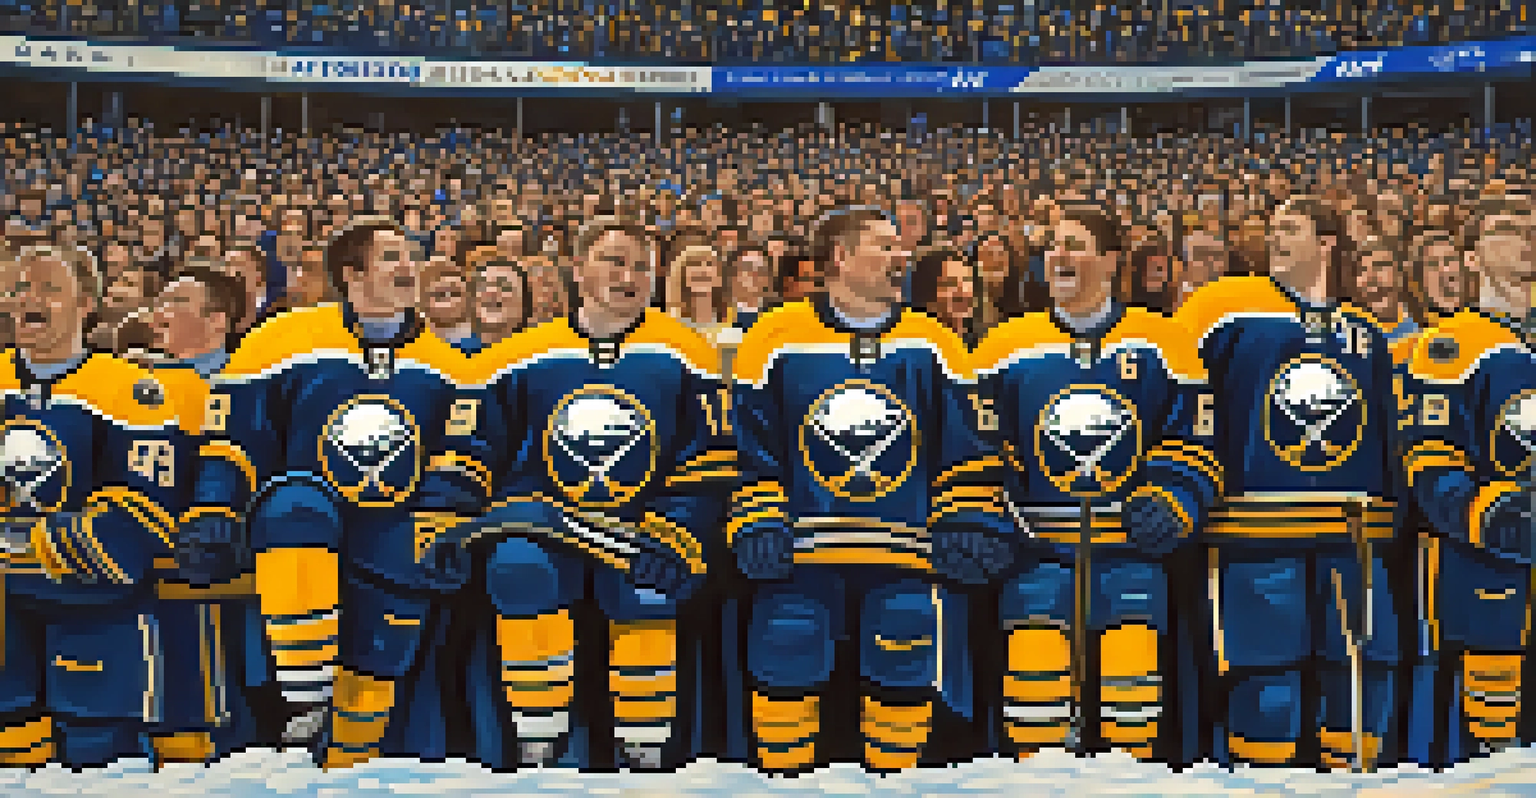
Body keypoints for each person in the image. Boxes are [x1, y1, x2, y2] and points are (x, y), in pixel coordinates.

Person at [179, 217, 484, 769]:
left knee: (384, 644)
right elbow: (234, 435)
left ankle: (349, 758)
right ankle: (305, 700)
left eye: (408, 255)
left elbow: (461, 456)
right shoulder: (282, 338)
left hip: (394, 523)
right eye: (392, 256)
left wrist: (445, 516)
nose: (407, 267)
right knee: (298, 507)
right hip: (300, 516)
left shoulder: (449, 364)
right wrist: (215, 506)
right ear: (352, 272)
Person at [729, 206, 1010, 773]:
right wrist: (757, 515)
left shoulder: (931, 341)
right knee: (788, 642)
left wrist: (966, 517)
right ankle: (785, 784)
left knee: (903, 638)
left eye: (898, 247)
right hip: (801, 556)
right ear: (839, 258)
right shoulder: (775, 337)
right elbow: (748, 446)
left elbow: (967, 449)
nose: (900, 255)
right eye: (883, 246)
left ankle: (894, 782)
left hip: (903, 555)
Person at [458, 216, 728, 770]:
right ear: (578, 270)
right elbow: (474, 450)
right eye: (615, 261)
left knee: (648, 586)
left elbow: (710, 458)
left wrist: (677, 528)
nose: (630, 275)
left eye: (641, 267)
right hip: (541, 521)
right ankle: (539, 745)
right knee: (518, 571)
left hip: (642, 524)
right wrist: (441, 514)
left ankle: (645, 752)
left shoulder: (687, 352)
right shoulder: (519, 354)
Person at [970, 206, 1218, 764]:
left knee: (1133, 682)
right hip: (1036, 552)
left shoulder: (1164, 343)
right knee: (1033, 682)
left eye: (1075, 244)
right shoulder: (1004, 346)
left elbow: (1196, 444)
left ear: (1110, 261)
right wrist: (989, 513)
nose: (1058, 254)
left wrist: (1174, 495)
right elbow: (979, 451)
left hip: (1129, 551)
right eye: (1054, 244)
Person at [1176, 196, 1400, 770]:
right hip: (1256, 533)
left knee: (1356, 678)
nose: (1276, 238)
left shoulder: (1366, 330)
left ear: (1327, 242)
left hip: (1351, 533)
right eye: (1273, 228)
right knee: (1265, 681)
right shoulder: (1222, 307)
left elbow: (1384, 430)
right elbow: (1181, 407)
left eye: (1292, 229)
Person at [0, 244, 196, 767]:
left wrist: (23, 545)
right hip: (11, 606)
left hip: (94, 603)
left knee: (97, 757)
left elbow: (143, 513)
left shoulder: (131, 388)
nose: (28, 300)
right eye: (19, 288)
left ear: (85, 304)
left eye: (48, 288)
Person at [1400, 196, 1536, 766]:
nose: (1526, 236)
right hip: (1487, 563)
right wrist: (1486, 512)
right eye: (1508, 229)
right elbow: (1429, 459)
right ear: (1472, 260)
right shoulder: (1450, 345)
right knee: (1487, 744)